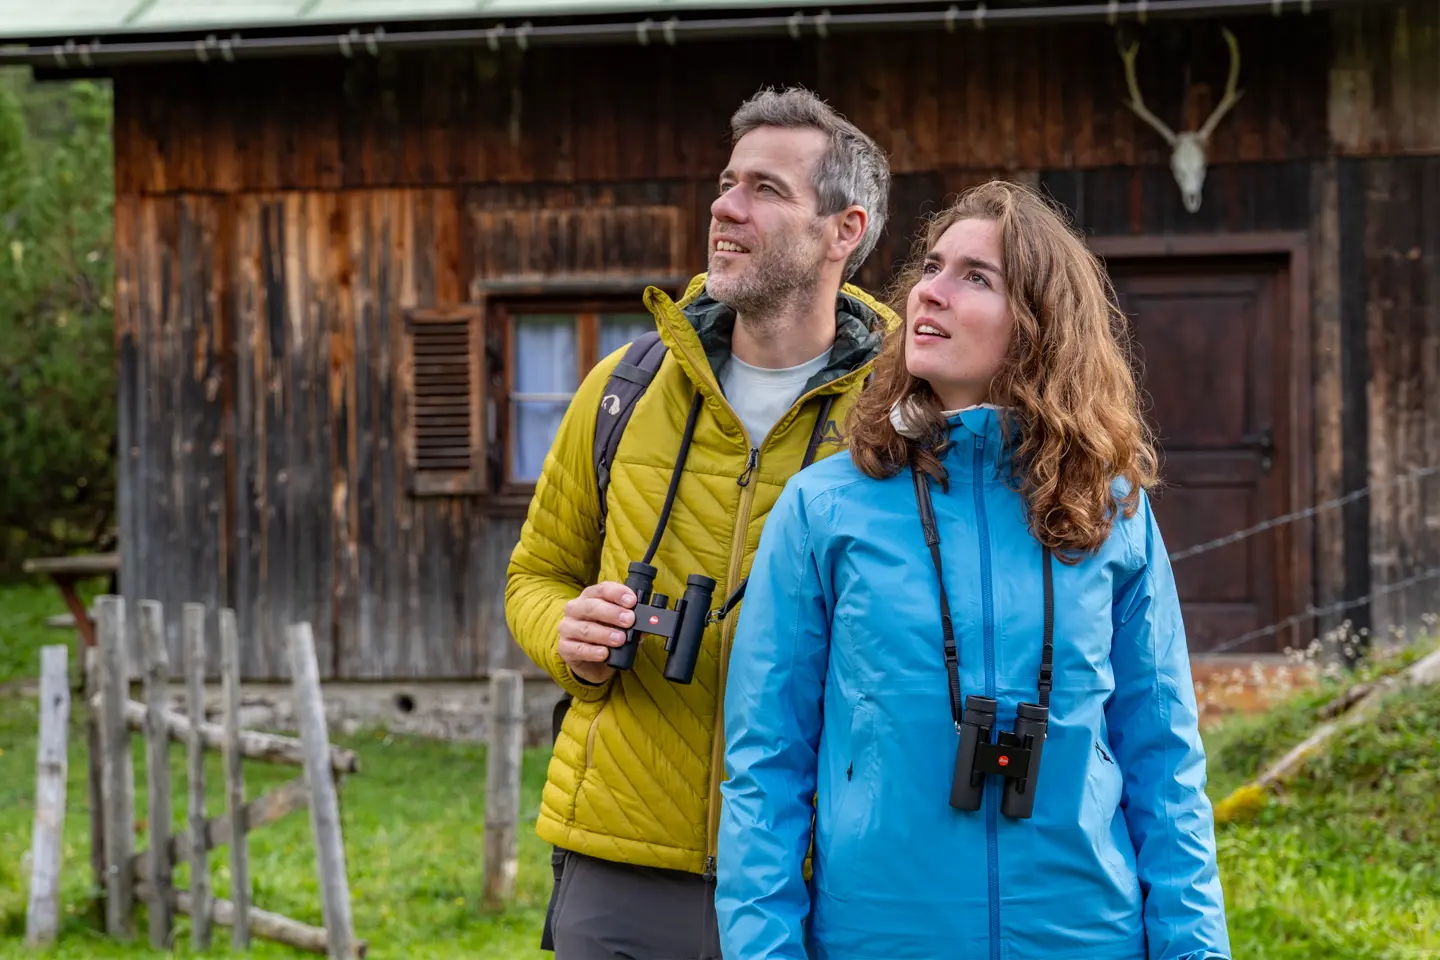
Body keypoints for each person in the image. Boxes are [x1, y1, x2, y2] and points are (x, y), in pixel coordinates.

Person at [716, 180, 1231, 960]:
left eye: (975, 277)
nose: (931, 291)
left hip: (1086, 937)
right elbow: (765, 766)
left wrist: (1196, 950)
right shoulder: (824, 508)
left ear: (1038, 324)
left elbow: (1164, 763)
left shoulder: (1110, 510)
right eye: (931, 266)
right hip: (881, 938)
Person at [504, 86, 897, 960]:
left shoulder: (904, 413)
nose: (724, 206)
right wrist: (563, 631)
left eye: (765, 188)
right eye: (726, 182)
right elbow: (534, 575)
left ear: (844, 231)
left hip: (826, 863)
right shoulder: (625, 387)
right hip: (622, 859)